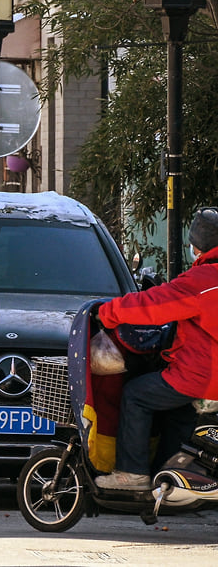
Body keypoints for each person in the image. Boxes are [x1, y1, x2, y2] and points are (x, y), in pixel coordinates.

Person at [93, 207, 218, 491]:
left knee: (137, 395)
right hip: (205, 376)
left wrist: (107, 312)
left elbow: (153, 305)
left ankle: (132, 474)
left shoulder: (201, 282)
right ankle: (168, 476)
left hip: (204, 375)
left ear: (198, 245)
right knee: (177, 411)